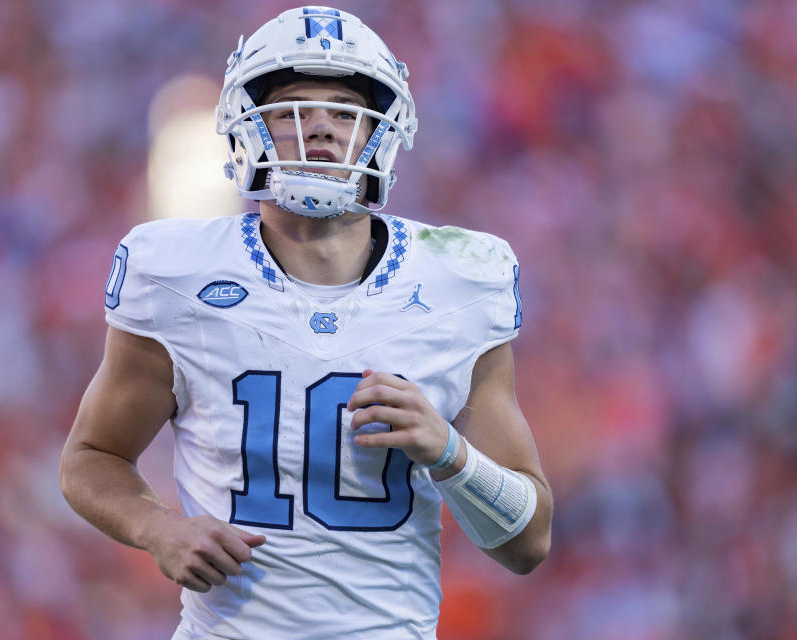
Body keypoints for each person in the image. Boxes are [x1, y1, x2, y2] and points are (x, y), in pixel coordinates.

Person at [59, 6, 553, 639]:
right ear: (248, 130)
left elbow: (528, 543)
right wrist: (158, 528)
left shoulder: (459, 280)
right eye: (293, 108)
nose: (320, 127)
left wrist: (449, 453)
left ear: (381, 132)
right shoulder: (174, 275)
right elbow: (91, 457)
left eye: (345, 111)